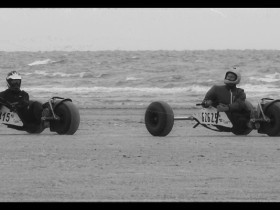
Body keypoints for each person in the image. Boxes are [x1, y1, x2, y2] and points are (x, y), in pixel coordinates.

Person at [201, 68, 254, 132]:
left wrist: (227, 108)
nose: (229, 78)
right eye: (228, 76)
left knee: (245, 107)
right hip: (219, 117)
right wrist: (207, 103)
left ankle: (249, 123)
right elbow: (204, 102)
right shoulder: (216, 89)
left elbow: (240, 104)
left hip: (236, 119)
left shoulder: (240, 92)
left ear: (237, 79)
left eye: (231, 77)